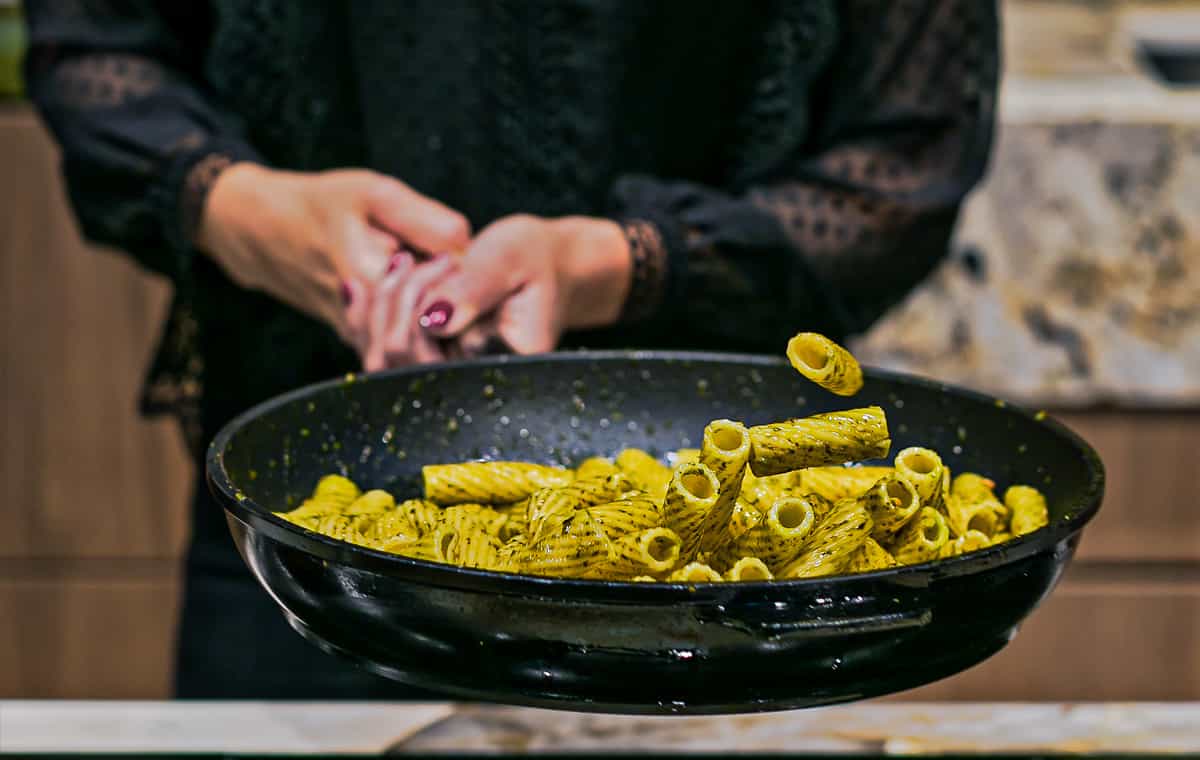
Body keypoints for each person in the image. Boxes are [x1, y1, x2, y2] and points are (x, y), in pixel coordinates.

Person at [23, 0, 998, 699]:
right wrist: (251, 214)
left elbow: (902, 161)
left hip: (737, 565)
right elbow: (94, 44)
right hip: (319, 523)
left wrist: (611, 263)